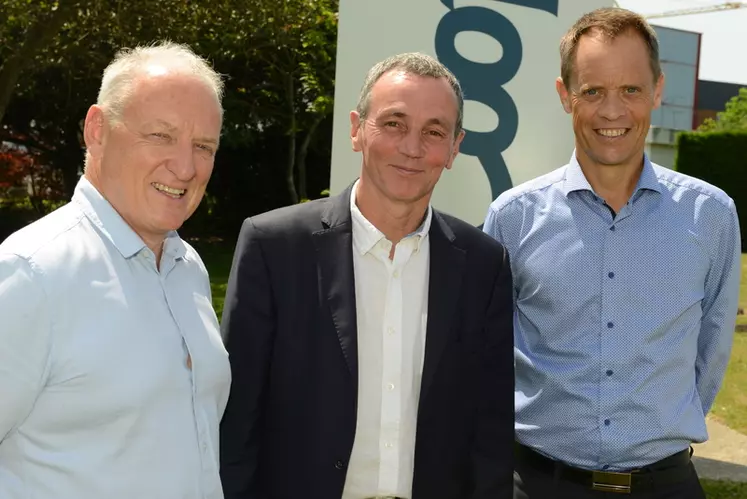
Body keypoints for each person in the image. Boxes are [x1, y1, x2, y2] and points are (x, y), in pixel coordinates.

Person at [219, 52, 515, 499]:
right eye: (394, 123)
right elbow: (237, 421)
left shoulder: (483, 264)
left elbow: (490, 432)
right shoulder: (274, 247)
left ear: (455, 148)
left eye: (434, 132)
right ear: (357, 129)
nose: (412, 147)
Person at [482, 7, 741, 499]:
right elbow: (488, 355)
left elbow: (712, 350)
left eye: (631, 90)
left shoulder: (711, 215)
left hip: (666, 486)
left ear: (658, 90)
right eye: (593, 90)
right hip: (538, 485)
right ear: (565, 95)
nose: (612, 111)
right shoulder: (513, 218)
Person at [0, 42, 230, 499]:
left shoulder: (189, 269)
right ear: (97, 130)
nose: (185, 167)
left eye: (202, 146)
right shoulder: (32, 274)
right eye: (160, 136)